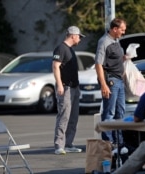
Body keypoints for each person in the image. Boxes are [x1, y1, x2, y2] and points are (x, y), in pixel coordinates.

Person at [52, 26, 85, 155]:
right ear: (73, 35)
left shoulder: (70, 50)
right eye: (79, 37)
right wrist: (60, 84)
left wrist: (77, 88)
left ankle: (69, 144)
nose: (80, 39)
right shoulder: (61, 48)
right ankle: (59, 145)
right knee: (64, 116)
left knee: (73, 117)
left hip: (74, 88)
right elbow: (55, 66)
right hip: (65, 87)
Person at [95, 18, 127, 144]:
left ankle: (119, 142)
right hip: (111, 81)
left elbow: (114, 59)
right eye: (122, 30)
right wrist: (104, 85)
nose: (123, 32)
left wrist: (125, 58)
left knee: (120, 112)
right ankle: (107, 143)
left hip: (119, 80)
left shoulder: (116, 41)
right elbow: (98, 64)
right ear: (114, 29)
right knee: (109, 113)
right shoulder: (104, 42)